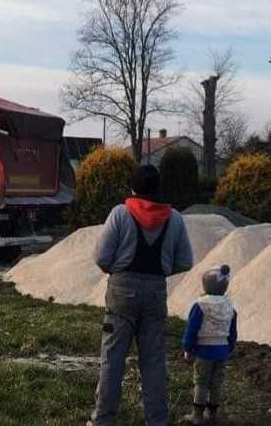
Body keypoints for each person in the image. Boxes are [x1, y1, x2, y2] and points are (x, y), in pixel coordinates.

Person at [88, 164, 194, 426]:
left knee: (112, 359)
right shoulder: (175, 218)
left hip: (121, 291)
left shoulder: (120, 214)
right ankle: (157, 421)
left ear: (133, 188)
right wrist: (160, 273)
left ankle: (103, 420)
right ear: (158, 188)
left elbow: (101, 257)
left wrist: (117, 272)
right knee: (154, 362)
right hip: (156, 292)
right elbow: (186, 261)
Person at [181, 265, 238, 425]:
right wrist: (230, 348)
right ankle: (212, 415)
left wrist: (188, 348)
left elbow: (192, 329)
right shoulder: (230, 307)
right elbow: (233, 332)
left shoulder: (200, 306)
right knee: (216, 383)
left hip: (204, 351)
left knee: (201, 382)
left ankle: (197, 415)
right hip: (222, 351)